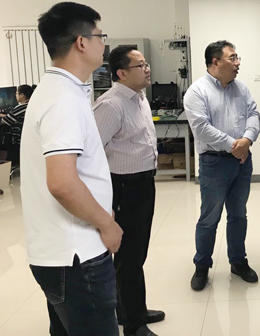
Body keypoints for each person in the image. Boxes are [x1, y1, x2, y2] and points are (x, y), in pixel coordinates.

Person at [20, 2, 123, 336]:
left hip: (60, 253)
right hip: (78, 257)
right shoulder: (63, 99)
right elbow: (62, 183)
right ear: (81, 42)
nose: (103, 44)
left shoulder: (56, 90)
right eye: (100, 36)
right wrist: (107, 224)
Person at [93, 46, 165, 336]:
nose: (147, 69)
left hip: (144, 184)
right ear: (121, 73)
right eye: (140, 65)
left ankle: (130, 310)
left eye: (146, 64)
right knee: (129, 257)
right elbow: (91, 153)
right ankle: (134, 325)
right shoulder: (111, 105)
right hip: (123, 188)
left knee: (136, 253)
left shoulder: (140, 98)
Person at [184, 40, 260, 291]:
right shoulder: (197, 91)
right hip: (214, 162)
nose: (238, 63)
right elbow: (202, 129)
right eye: (233, 58)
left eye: (238, 58)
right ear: (215, 62)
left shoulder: (241, 88)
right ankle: (202, 266)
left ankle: (238, 261)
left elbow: (254, 114)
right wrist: (234, 146)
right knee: (210, 217)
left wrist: (247, 140)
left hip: (242, 161)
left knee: (238, 215)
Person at [0, 84, 35, 165]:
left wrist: (3, 116)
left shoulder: (21, 107)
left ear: (22, 95)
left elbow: (4, 122)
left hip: (17, 141)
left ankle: (6, 164)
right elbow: (12, 116)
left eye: (16, 93)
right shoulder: (30, 105)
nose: (15, 95)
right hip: (27, 139)